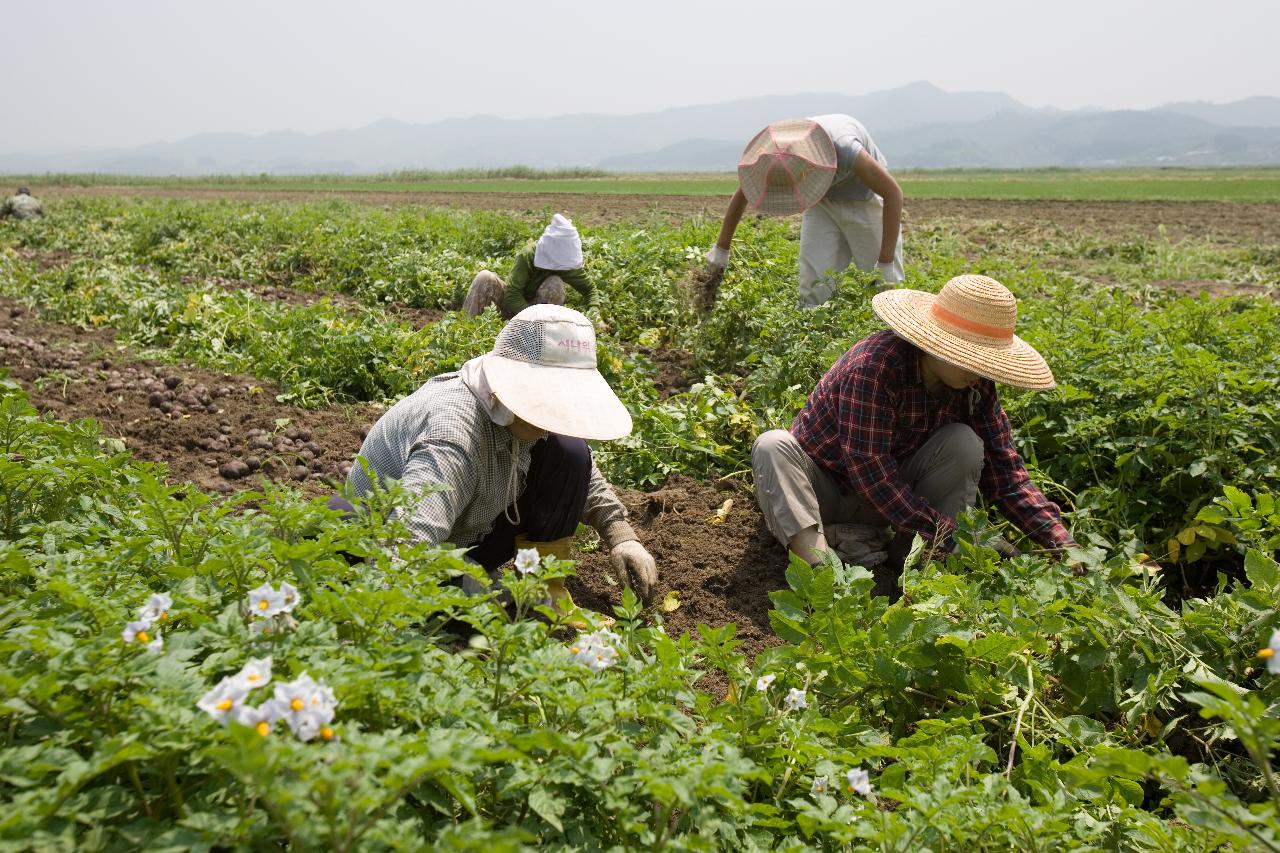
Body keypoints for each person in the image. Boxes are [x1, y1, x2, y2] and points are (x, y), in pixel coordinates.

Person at [751, 274, 1077, 595]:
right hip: (823, 493)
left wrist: (1062, 543)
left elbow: (1007, 478)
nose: (978, 373)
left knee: (964, 443)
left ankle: (916, 564)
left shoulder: (974, 386)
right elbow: (872, 475)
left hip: (886, 506)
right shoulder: (874, 368)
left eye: (984, 363)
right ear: (936, 344)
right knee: (772, 446)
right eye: (970, 359)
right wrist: (958, 535)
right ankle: (824, 578)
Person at [345, 304, 657, 616]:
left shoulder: (521, 416)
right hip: (389, 548)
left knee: (570, 453)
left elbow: (581, 477)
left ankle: (540, 590)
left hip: (470, 534)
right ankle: (501, 598)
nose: (551, 415)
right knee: (470, 608)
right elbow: (406, 545)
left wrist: (620, 537)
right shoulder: (453, 432)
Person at [704, 116, 904, 308]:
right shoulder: (773, 156)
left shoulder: (845, 148)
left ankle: (887, 339)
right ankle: (816, 327)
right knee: (813, 287)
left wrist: (886, 264)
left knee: (882, 289)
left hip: (864, 199)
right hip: (821, 203)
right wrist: (721, 250)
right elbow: (743, 194)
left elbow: (893, 193)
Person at [463, 213, 600, 322]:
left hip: (539, 317)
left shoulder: (565, 263)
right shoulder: (528, 255)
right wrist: (529, 318)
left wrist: (595, 314)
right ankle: (468, 329)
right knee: (485, 277)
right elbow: (512, 294)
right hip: (513, 308)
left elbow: (589, 289)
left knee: (555, 284)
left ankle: (544, 334)